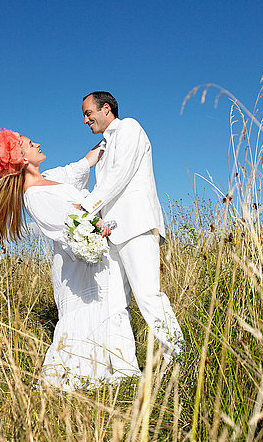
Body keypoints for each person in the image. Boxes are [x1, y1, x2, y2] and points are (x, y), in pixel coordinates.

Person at [0, 128, 141, 391]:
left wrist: (110, 136)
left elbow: (83, 164)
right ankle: (79, 372)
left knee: (111, 307)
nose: (38, 144)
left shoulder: (53, 177)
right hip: (75, 265)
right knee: (85, 313)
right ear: (22, 158)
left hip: (97, 256)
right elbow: (69, 228)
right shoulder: (34, 196)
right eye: (32, 144)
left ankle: (123, 369)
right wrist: (90, 220)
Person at [78, 91, 184, 363]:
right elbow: (106, 186)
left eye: (88, 113)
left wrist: (85, 209)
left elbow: (118, 176)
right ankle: (125, 367)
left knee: (148, 296)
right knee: (114, 303)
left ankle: (180, 358)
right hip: (111, 236)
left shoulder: (130, 128)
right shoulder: (103, 146)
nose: (86, 120)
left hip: (136, 226)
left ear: (105, 109)